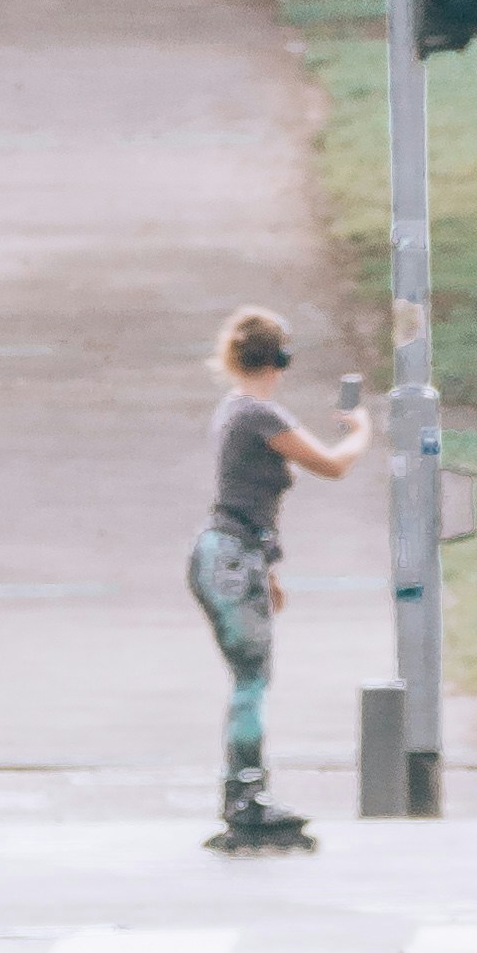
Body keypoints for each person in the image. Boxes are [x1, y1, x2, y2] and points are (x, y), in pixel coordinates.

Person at [186, 305, 367, 854]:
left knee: (250, 678)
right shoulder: (258, 417)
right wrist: (361, 430)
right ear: (281, 358)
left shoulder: (236, 411)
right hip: (233, 557)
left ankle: (246, 790)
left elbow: (245, 497)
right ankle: (245, 795)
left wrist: (269, 570)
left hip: (234, 555)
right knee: (251, 681)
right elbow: (333, 464)